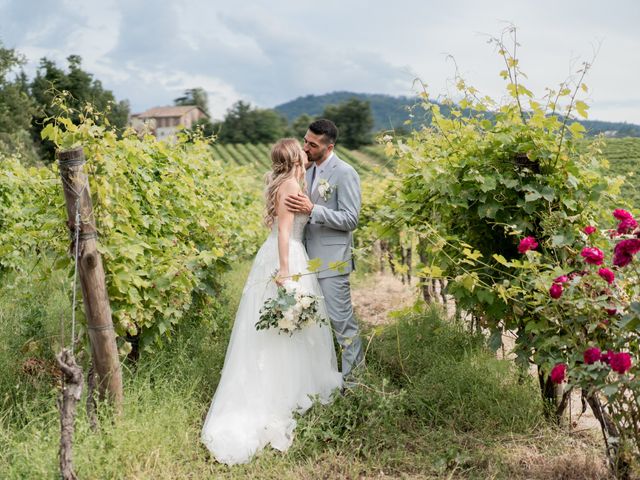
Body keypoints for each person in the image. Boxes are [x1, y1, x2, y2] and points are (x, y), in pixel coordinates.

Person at [201, 138, 342, 465]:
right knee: (283, 325)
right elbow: (284, 230)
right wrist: (284, 271)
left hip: (292, 254)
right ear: (295, 157)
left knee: (290, 327)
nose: (307, 154)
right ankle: (280, 393)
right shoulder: (290, 184)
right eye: (303, 150)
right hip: (286, 257)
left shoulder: (291, 182)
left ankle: (294, 387)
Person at [284, 119, 364, 382]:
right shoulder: (305, 171)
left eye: (312, 144)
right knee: (309, 324)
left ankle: (355, 383)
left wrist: (313, 210)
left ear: (329, 147)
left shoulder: (345, 172)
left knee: (342, 324)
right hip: (303, 260)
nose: (305, 147)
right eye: (305, 140)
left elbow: (351, 219)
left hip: (332, 262)